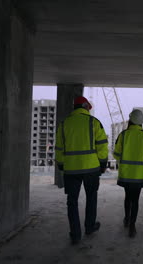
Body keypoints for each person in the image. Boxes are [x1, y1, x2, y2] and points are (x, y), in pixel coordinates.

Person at [55, 96, 108, 245]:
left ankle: (75, 234)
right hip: (91, 169)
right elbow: (102, 145)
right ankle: (90, 227)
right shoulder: (94, 122)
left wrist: (61, 164)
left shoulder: (64, 124)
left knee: (72, 202)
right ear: (85, 107)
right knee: (91, 197)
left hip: (71, 169)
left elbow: (59, 147)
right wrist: (102, 164)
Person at [113, 109, 143, 238]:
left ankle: (126, 219)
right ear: (141, 122)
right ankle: (132, 226)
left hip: (125, 173)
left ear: (130, 120)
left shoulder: (123, 135)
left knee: (127, 197)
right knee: (135, 200)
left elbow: (116, 154)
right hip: (138, 175)